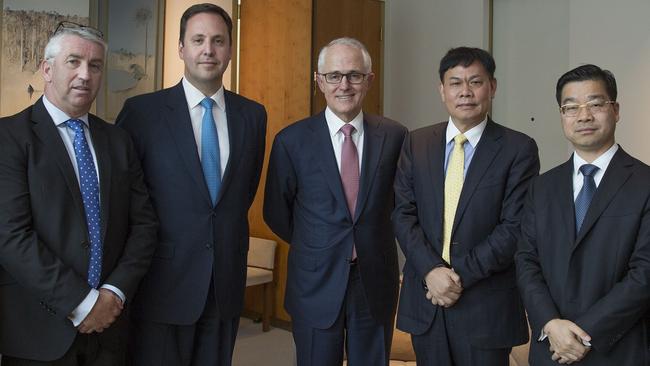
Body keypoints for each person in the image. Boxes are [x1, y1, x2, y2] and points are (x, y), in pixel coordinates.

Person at [116, 3, 266, 365]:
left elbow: (240, 195)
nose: (208, 50)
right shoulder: (142, 113)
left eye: (218, 40)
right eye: (198, 40)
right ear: (181, 48)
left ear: (230, 48)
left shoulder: (252, 115)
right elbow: (124, 201)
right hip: (162, 284)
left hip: (225, 284)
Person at [0, 22, 158, 365]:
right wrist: (84, 303)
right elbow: (11, 236)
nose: (85, 75)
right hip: (39, 331)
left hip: (111, 329)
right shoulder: (9, 138)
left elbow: (144, 226)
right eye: (74, 61)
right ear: (47, 69)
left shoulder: (118, 141)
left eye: (95, 65)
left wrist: (112, 294)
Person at [263, 37, 407, 365]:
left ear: (369, 81)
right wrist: (320, 242)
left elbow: (403, 206)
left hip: (374, 281)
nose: (344, 85)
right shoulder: (291, 141)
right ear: (319, 81)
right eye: (334, 75)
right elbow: (276, 211)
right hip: (314, 279)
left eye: (355, 75)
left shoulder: (395, 136)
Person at [393, 47, 539, 366]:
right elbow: (403, 214)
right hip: (426, 300)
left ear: (493, 87)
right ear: (442, 90)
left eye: (475, 81)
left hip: (486, 306)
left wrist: (455, 278)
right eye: (455, 82)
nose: (466, 92)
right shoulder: (416, 143)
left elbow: (514, 227)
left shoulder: (518, 149)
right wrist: (432, 271)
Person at [516, 64, 650, 365]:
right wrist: (550, 324)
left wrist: (584, 334)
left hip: (619, 349)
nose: (584, 115)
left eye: (595, 104)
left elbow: (644, 274)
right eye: (571, 107)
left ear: (615, 110)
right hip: (552, 349)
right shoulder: (542, 187)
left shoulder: (645, 184)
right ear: (562, 116)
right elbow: (526, 261)